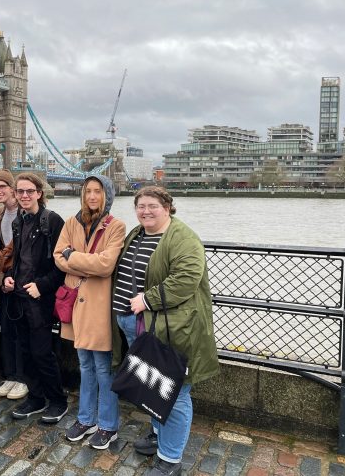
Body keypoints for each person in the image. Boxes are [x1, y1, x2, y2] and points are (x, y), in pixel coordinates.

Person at [112, 186, 219, 476]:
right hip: (138, 326)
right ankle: (159, 433)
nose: (146, 211)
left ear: (168, 207)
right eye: (141, 206)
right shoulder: (138, 233)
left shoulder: (183, 238)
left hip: (172, 329)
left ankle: (170, 459)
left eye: (152, 206)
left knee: (176, 391)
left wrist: (147, 299)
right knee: (153, 386)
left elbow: (186, 279)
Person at [54, 175, 126, 450]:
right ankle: (86, 419)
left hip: (98, 307)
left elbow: (106, 265)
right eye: (88, 192)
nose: (92, 196)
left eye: (98, 191)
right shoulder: (72, 222)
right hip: (75, 304)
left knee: (103, 368)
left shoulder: (116, 226)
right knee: (84, 365)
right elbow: (57, 256)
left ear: (107, 195)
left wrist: (73, 258)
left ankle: (108, 426)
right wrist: (82, 262)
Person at [3, 172, 67, 423]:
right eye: (20, 192)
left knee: (43, 352)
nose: (25, 195)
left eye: (30, 191)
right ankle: (36, 397)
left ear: (39, 193)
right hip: (18, 297)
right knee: (25, 351)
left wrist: (42, 286)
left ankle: (58, 400)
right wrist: (8, 276)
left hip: (41, 299)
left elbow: (62, 264)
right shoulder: (18, 221)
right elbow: (18, 259)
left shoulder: (53, 221)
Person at [0, 169, 28, 400]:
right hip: (6, 276)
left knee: (22, 329)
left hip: (23, 278)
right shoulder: (1, 212)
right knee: (7, 327)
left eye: (2, 187)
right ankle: (10, 375)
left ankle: (23, 378)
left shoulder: (26, 212)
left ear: (13, 188)